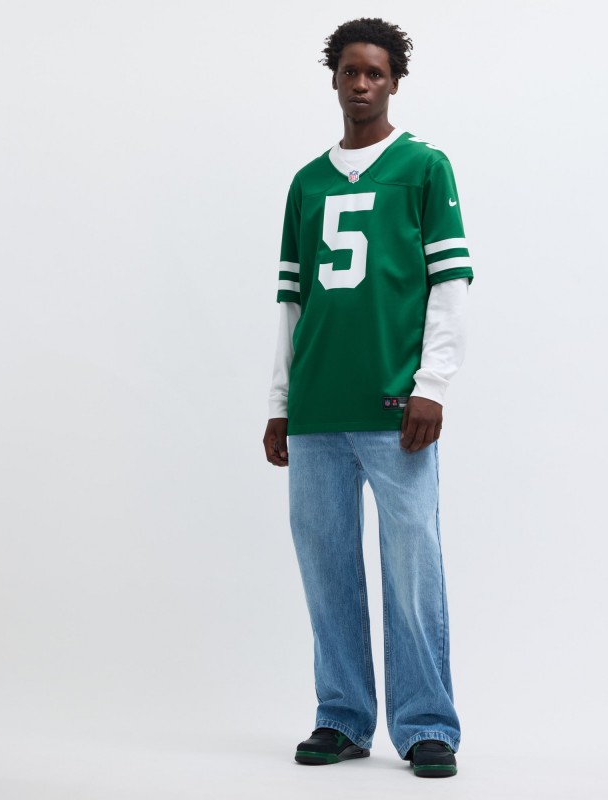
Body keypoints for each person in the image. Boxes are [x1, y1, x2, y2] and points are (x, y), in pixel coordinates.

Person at [262, 17, 473, 779]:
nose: (361, 83)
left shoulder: (424, 167)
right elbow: (292, 302)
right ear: (334, 78)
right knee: (326, 571)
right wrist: (280, 402)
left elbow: (449, 284)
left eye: (374, 72)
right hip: (317, 410)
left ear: (394, 81)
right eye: (349, 71)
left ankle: (426, 726)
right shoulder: (307, 183)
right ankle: (342, 718)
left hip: (395, 409)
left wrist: (431, 385)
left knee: (413, 571)